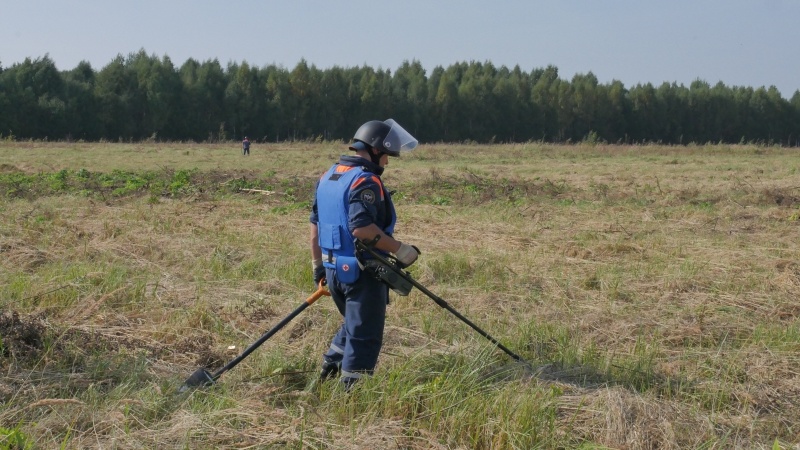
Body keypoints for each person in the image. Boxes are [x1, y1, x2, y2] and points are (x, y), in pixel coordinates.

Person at [309, 119, 421, 390]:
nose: (387, 162)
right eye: (386, 156)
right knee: (365, 337)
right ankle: (351, 397)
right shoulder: (365, 180)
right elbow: (361, 229)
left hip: (334, 271)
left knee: (353, 326)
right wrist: (400, 250)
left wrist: (318, 267)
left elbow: (315, 226)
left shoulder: (330, 176)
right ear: (375, 150)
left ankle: (329, 373)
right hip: (361, 274)